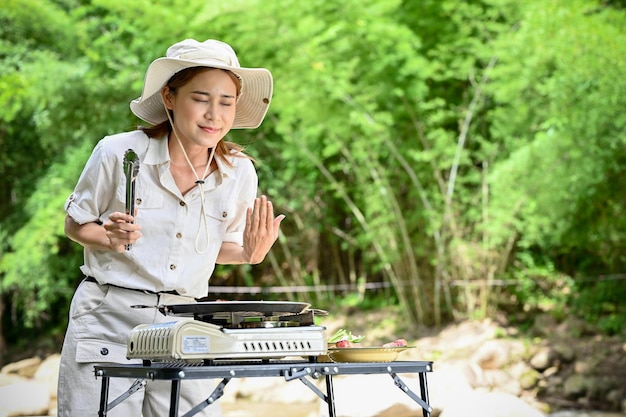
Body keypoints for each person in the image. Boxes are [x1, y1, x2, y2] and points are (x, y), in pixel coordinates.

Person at [57, 38, 284, 417]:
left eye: (226, 102)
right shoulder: (119, 152)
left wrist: (248, 252)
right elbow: (75, 224)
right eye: (201, 98)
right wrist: (108, 237)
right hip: (109, 318)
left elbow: (220, 248)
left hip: (186, 328)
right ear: (169, 97)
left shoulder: (238, 172)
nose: (215, 114)